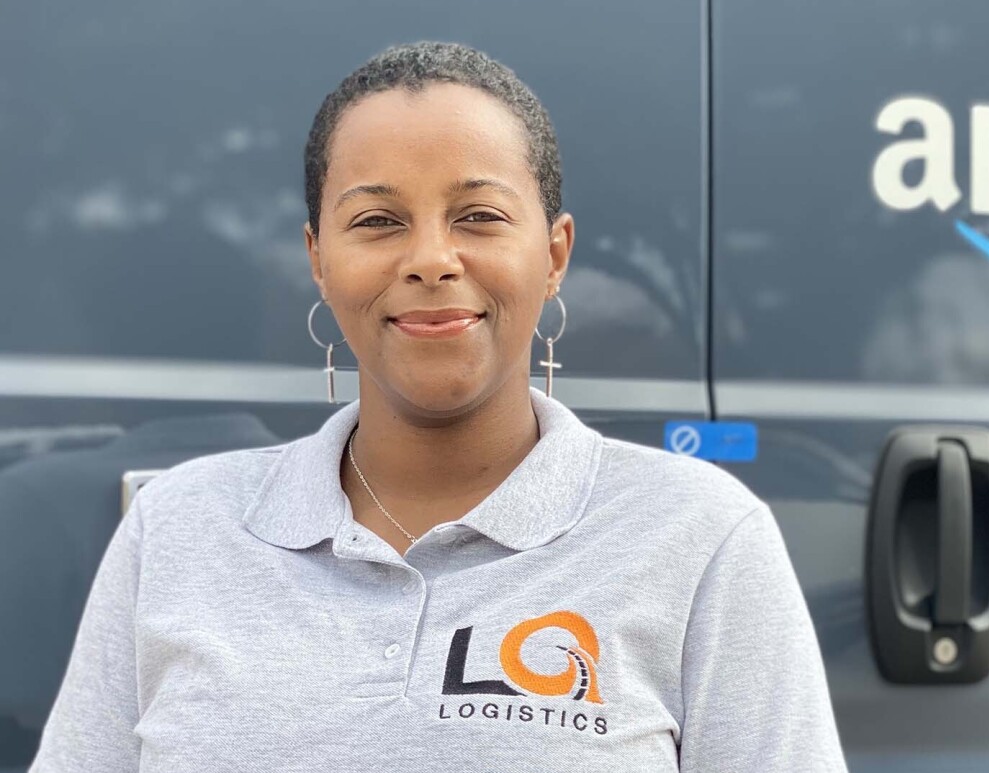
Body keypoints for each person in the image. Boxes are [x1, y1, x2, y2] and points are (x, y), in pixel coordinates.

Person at [28, 41, 846, 772]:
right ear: (319, 257)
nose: (430, 259)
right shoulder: (175, 529)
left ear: (554, 254)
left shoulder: (700, 536)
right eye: (378, 220)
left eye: (479, 216)